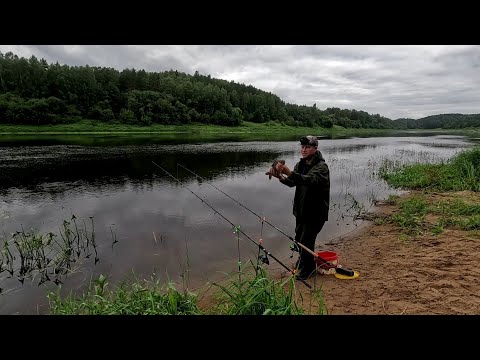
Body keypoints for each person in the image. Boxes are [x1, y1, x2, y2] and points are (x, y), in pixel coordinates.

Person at [265, 135, 330, 280]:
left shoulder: (322, 167)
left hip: (316, 212)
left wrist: (289, 172)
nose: (304, 150)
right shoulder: (301, 164)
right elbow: (292, 182)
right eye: (302, 147)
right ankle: (304, 261)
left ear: (315, 148)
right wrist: (281, 177)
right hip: (301, 211)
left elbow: (310, 180)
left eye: (307, 147)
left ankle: (309, 269)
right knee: (299, 238)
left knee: (307, 240)